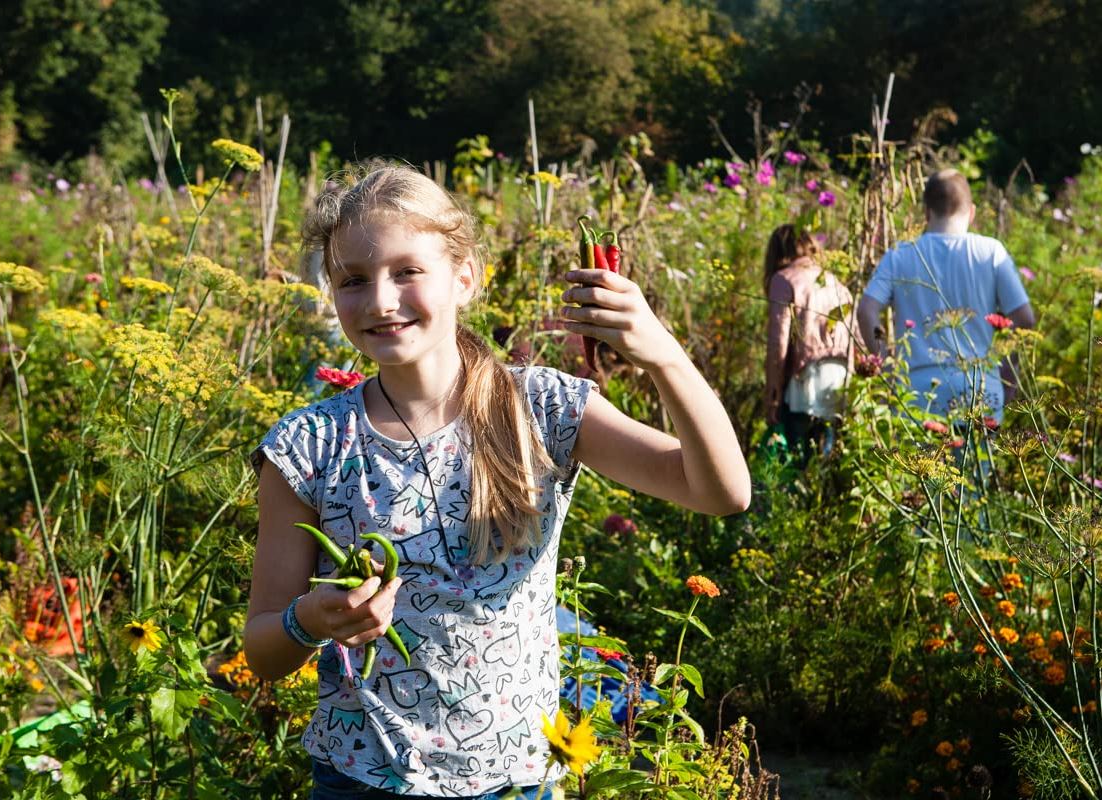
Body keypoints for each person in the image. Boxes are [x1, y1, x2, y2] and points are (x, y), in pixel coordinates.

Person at [243, 163, 750, 799]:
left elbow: (721, 492)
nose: (379, 300)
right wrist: (309, 620)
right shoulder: (309, 445)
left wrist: (664, 356)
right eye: (352, 280)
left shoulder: (542, 408)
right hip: (364, 781)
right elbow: (262, 649)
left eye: (407, 271)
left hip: (516, 781)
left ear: (465, 276)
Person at [856, 168, 1036, 423]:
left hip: (917, 389)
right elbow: (1025, 318)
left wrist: (886, 365)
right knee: (977, 462)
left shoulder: (900, 254)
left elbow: (866, 311)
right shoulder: (990, 252)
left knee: (919, 462)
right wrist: (1008, 372)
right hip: (979, 385)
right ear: (971, 212)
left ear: (927, 212)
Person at [763, 224, 857, 461]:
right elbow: (854, 335)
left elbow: (778, 341)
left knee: (798, 456)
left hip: (805, 380)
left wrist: (773, 390)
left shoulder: (783, 280)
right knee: (826, 455)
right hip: (840, 375)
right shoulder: (835, 281)